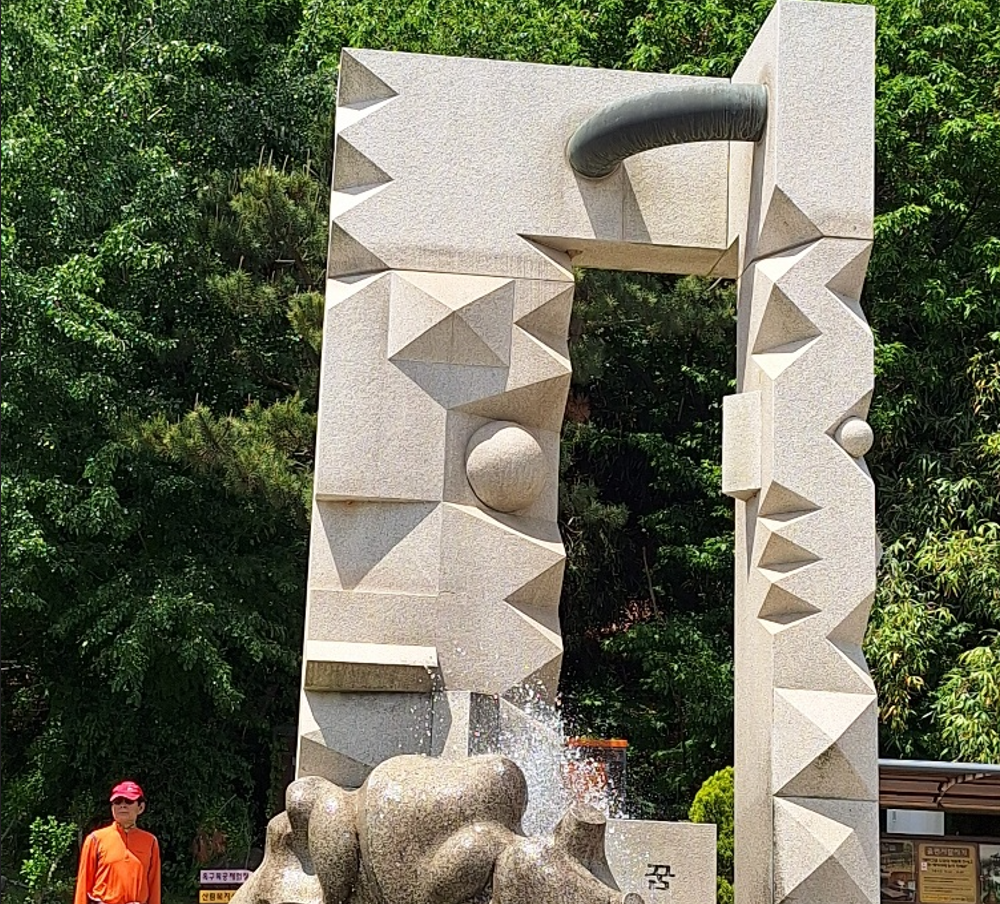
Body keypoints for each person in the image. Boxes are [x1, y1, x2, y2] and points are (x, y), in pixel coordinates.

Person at [74, 781, 161, 904]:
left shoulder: (150, 842)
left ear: (141, 807)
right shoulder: (95, 839)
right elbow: (83, 885)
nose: (122, 806)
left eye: (129, 801)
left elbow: (154, 884)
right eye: (117, 802)